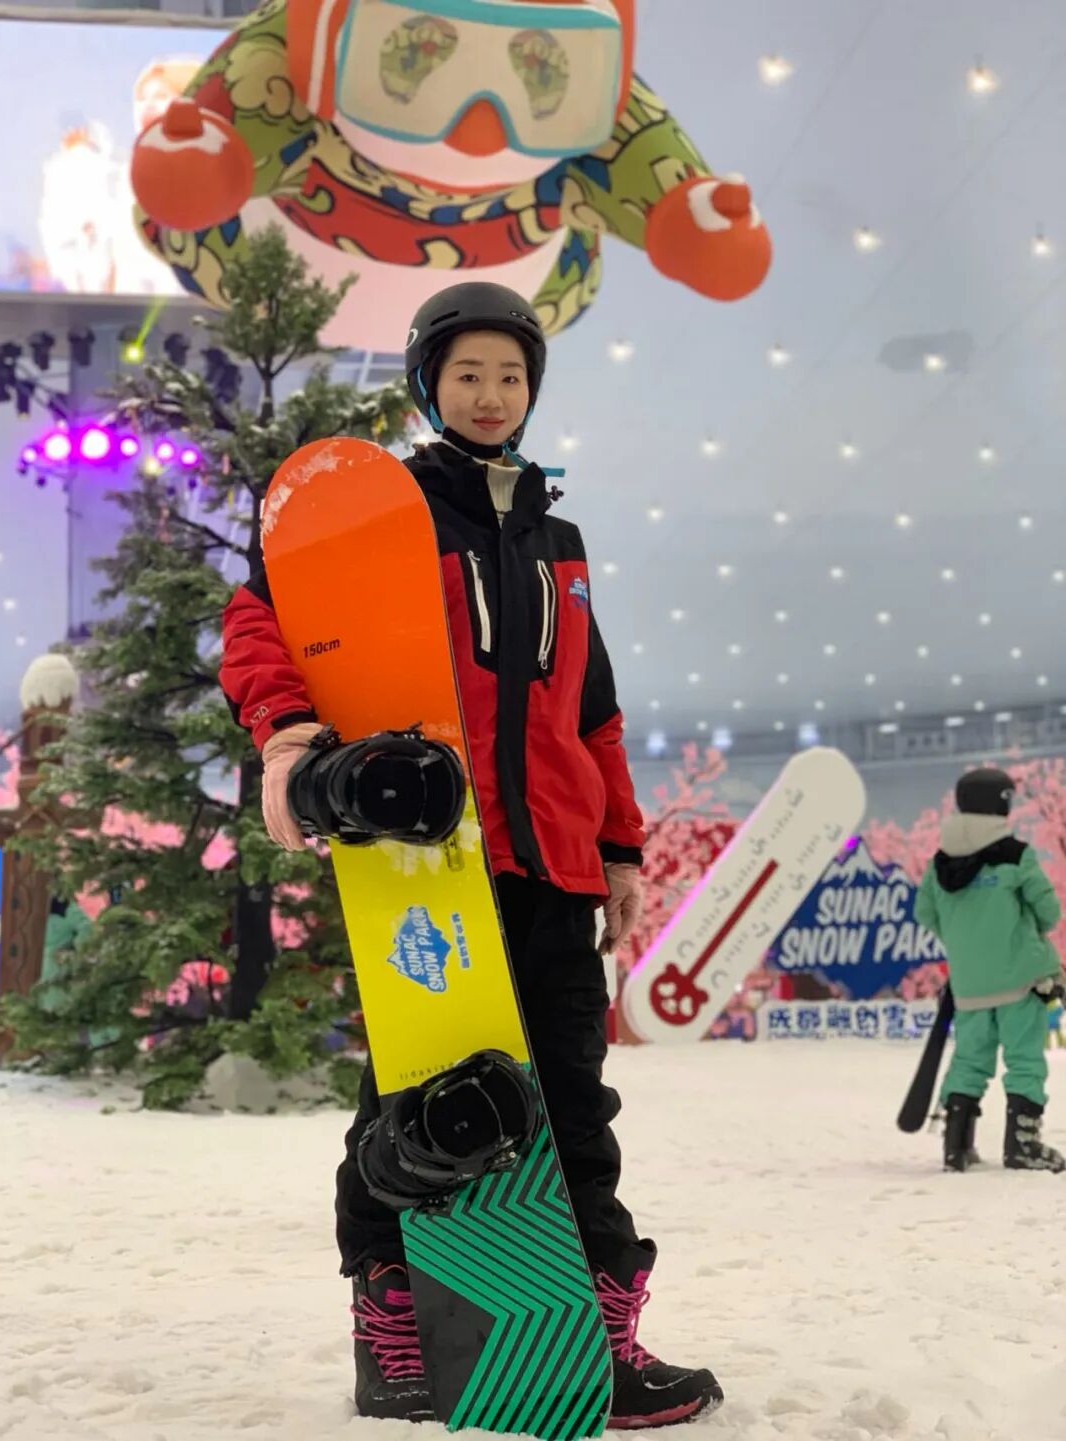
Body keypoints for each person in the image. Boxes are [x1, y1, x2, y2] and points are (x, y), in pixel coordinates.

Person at [219, 282, 724, 1429]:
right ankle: (393, 1328)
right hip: (433, 867)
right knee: (410, 1100)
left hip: (556, 870)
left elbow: (593, 712)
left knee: (576, 1108)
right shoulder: (381, 516)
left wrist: (622, 848)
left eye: (510, 376)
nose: (492, 395)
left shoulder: (560, 541)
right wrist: (290, 737)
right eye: (467, 374)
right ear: (428, 384)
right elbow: (258, 623)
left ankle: (599, 1341)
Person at [915, 767, 1065, 1174]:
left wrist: (965, 944)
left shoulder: (939, 863)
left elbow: (925, 912)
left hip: (969, 985)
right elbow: (1049, 910)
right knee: (1025, 1059)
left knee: (969, 1059)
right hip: (1020, 978)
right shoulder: (1015, 855)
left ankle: (956, 1146)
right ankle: (1023, 1145)